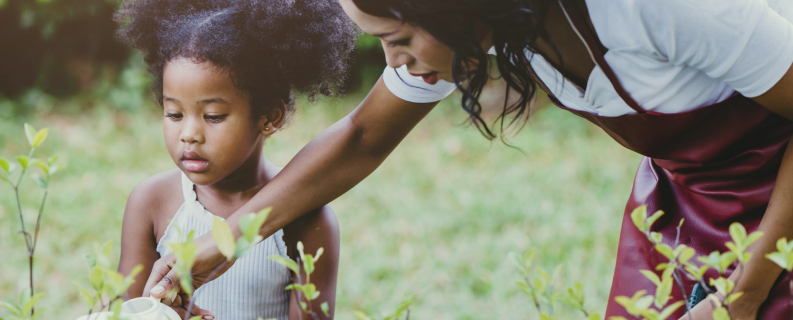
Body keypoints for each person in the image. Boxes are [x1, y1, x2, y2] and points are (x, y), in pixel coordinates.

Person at [143, 0, 793, 318]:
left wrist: (745, 294)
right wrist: (228, 237)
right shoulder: (500, 26)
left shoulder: (660, 8)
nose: (395, 63)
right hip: (678, 209)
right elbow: (363, 137)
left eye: (397, 40)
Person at [114, 0, 357, 318]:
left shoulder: (308, 221)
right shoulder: (152, 202)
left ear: (269, 116)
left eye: (213, 116)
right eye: (174, 113)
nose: (189, 134)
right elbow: (124, 311)